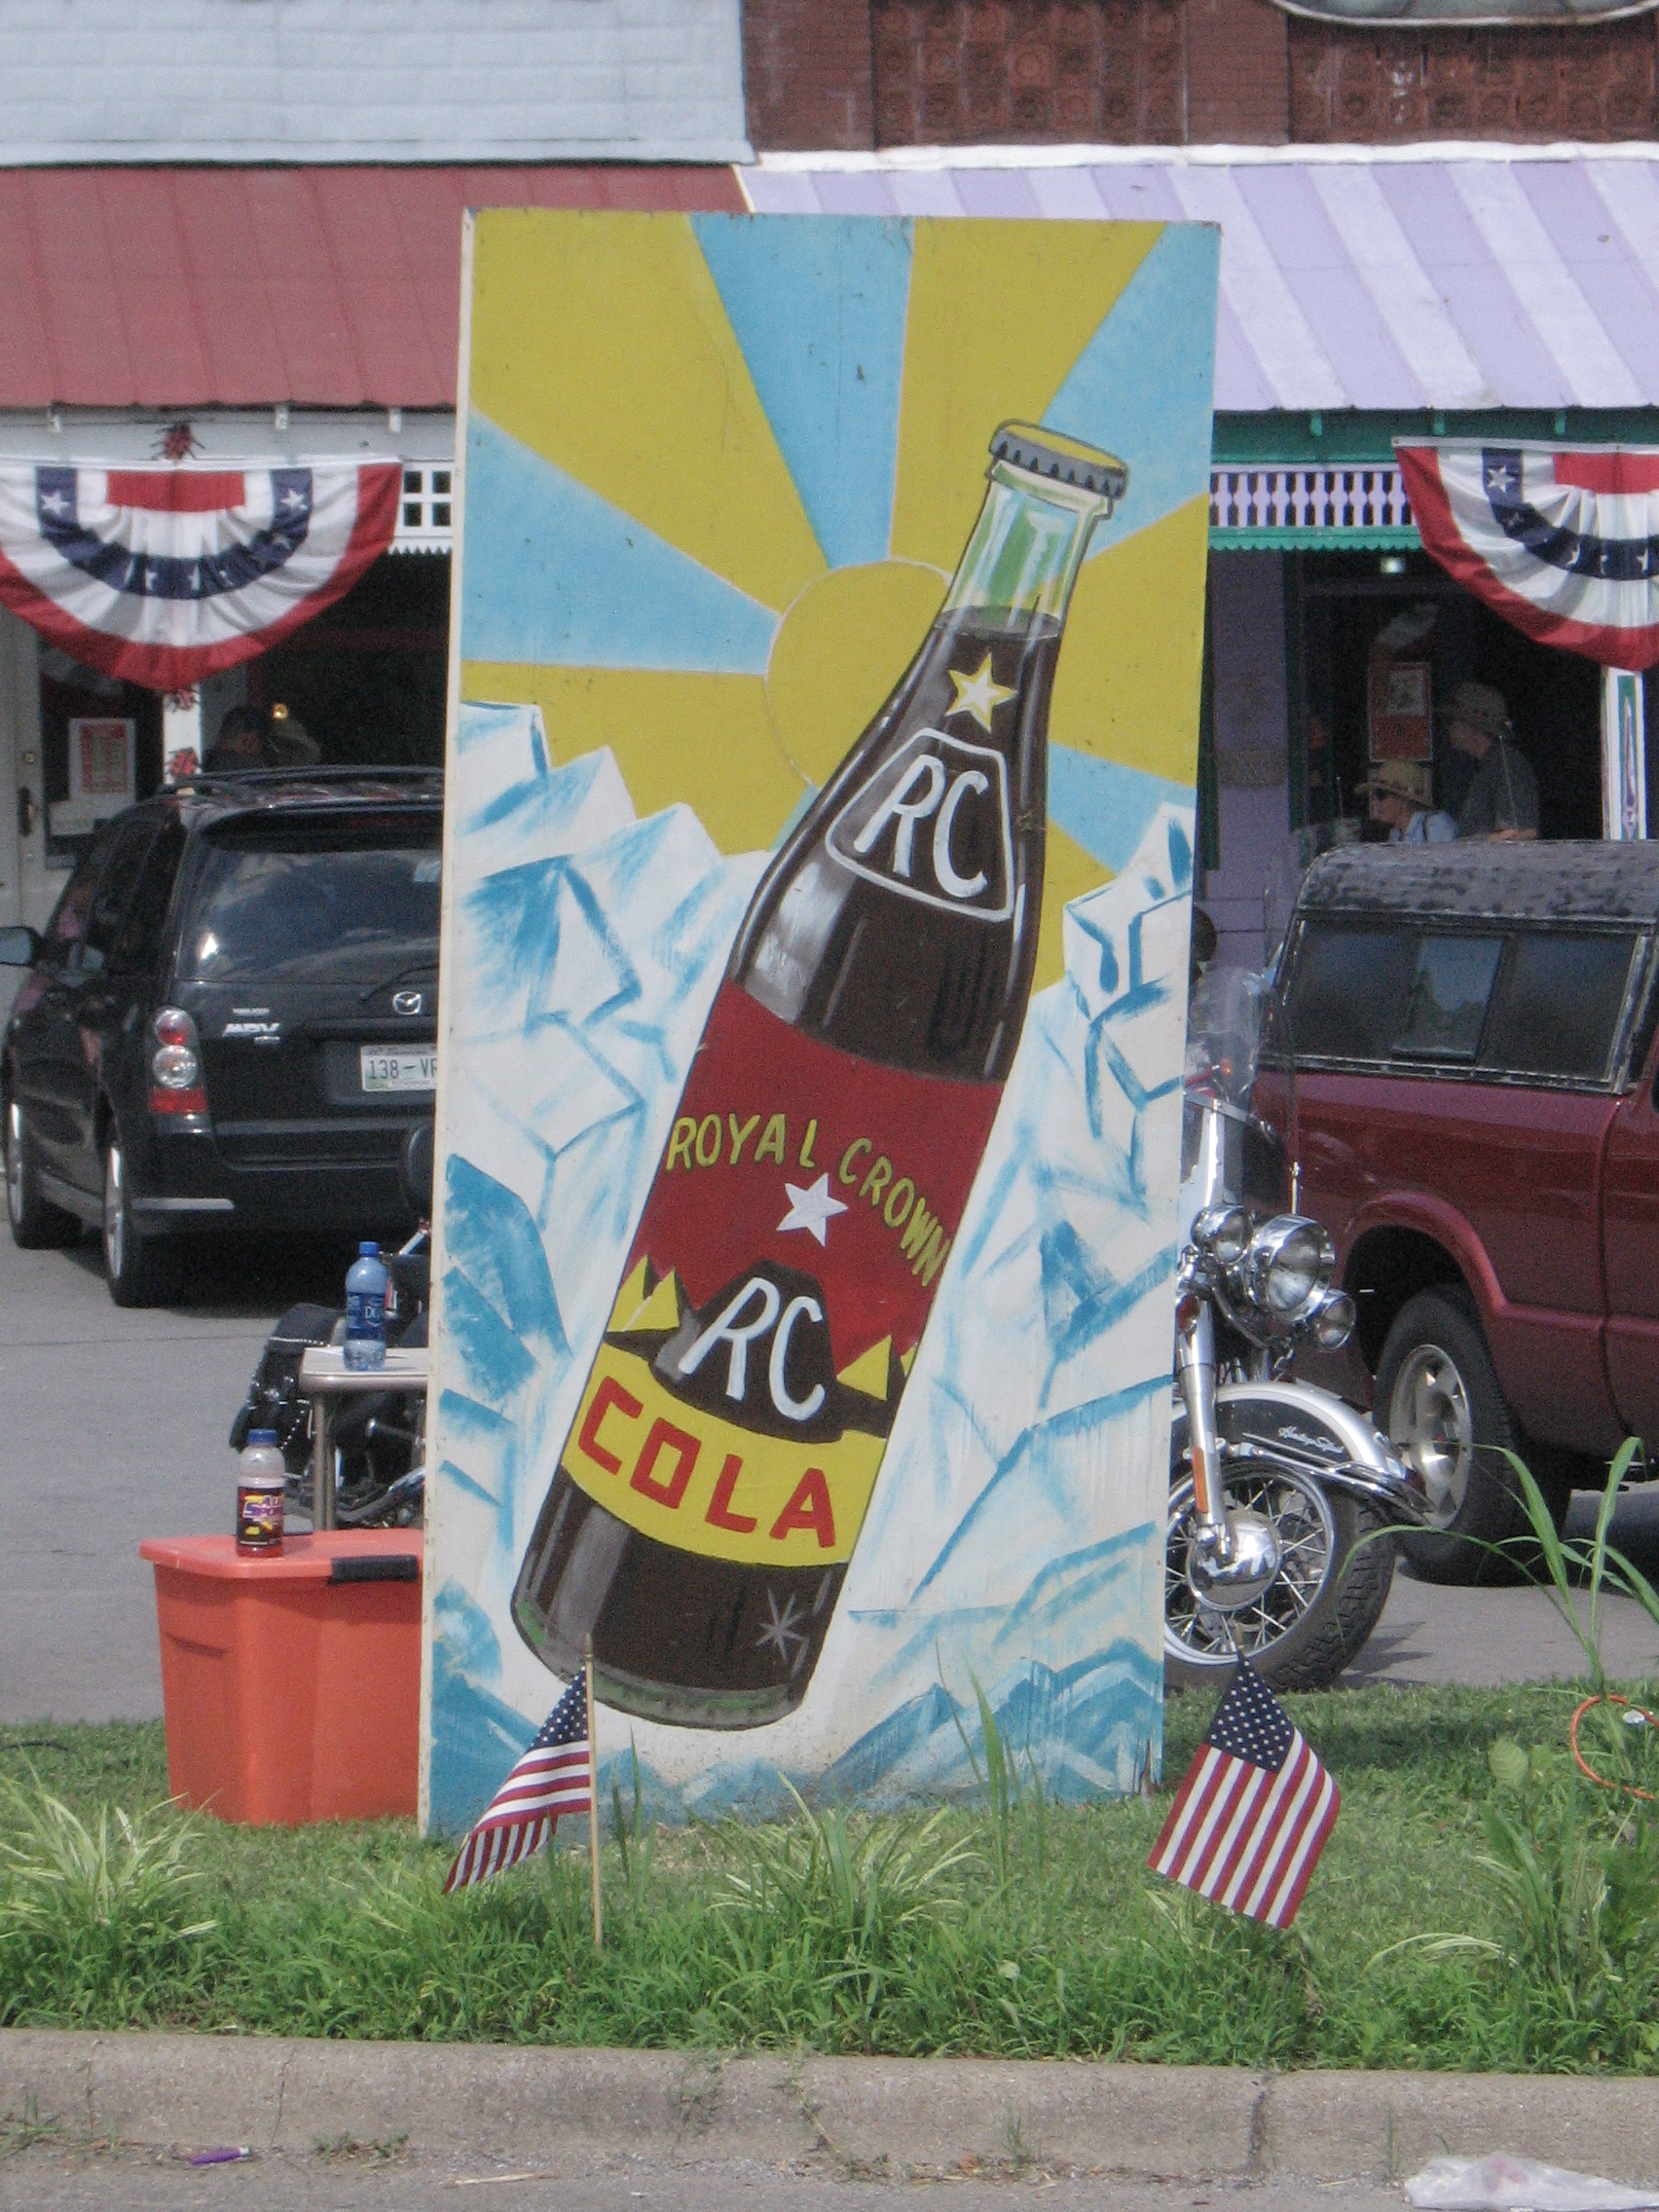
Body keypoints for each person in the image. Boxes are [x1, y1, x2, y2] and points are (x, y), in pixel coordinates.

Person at [1446, 681, 1538, 840]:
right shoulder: (1489, 766)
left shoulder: (1507, 765)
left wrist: (1470, 845)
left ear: (1472, 727)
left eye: (1453, 720)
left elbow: (1519, 834)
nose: (1449, 727)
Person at [1357, 759, 1456, 844]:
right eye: (1373, 796)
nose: (1374, 803)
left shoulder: (1435, 824)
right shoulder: (1395, 834)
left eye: (1381, 795)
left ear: (1404, 800)